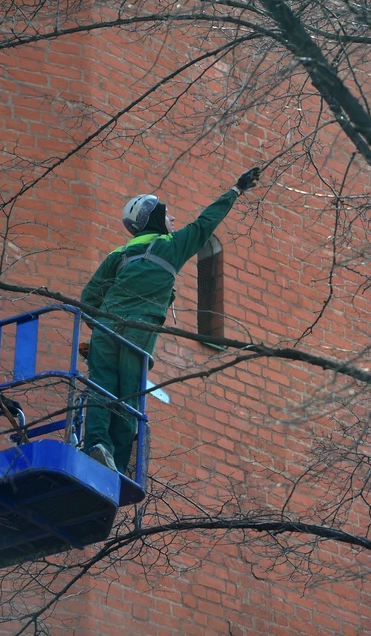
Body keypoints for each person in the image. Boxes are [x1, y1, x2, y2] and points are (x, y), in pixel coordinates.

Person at [80, 167, 262, 473]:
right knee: (129, 397)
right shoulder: (171, 246)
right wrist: (235, 190)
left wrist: (98, 329)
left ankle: (98, 446)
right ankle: (117, 467)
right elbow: (205, 225)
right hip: (139, 333)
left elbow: (87, 301)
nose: (173, 220)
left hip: (106, 330)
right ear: (153, 218)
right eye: (167, 215)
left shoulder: (119, 254)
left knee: (100, 389)